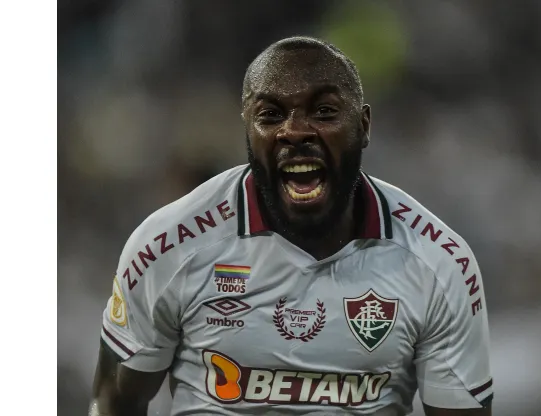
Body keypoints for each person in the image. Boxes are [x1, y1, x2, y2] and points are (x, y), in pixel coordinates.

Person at [90, 36, 493, 416]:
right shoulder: (168, 246)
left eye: (324, 112)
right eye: (270, 114)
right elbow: (113, 403)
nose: (295, 131)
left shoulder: (440, 263)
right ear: (247, 129)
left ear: (364, 126)